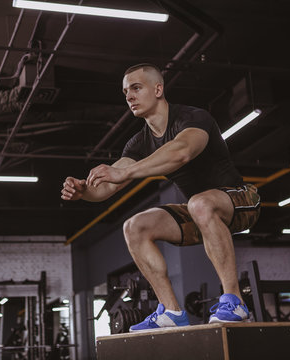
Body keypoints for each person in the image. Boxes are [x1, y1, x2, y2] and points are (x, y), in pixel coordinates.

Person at [61, 63, 260, 331]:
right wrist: (83, 192)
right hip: (199, 211)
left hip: (240, 201)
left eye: (136, 88)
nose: (129, 96)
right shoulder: (139, 143)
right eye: (125, 92)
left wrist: (127, 172)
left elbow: (181, 152)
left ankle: (234, 302)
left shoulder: (193, 118)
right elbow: (107, 187)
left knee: (199, 203)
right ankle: (172, 312)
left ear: (158, 89)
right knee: (135, 227)